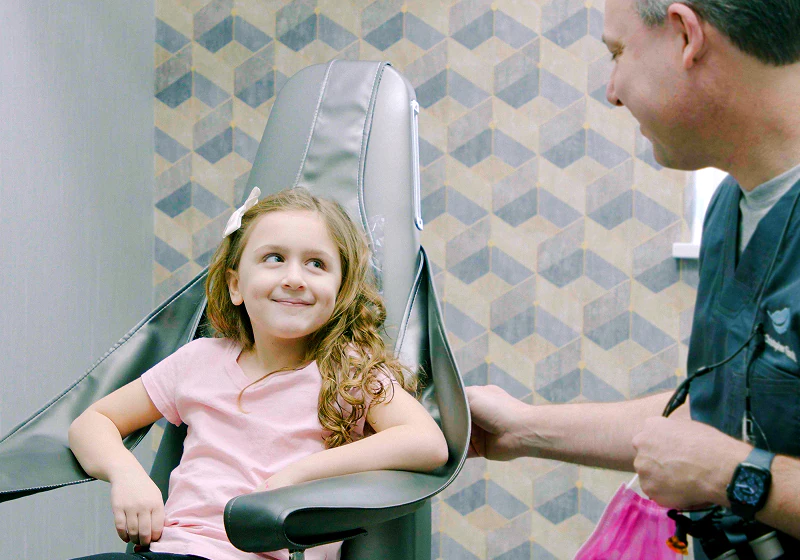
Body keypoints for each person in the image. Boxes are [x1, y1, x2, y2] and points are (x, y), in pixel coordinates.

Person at [468, 0, 800, 556]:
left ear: (685, 35)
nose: (612, 90)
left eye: (618, 53)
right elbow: (726, 413)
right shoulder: (730, 209)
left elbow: (720, 456)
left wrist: (734, 475)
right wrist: (517, 429)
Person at [67, 187, 449, 560]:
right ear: (236, 285)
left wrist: (300, 473)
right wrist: (126, 475)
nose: (294, 277)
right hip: (177, 550)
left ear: (341, 290)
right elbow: (92, 422)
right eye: (274, 258)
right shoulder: (198, 361)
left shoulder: (351, 372)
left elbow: (426, 443)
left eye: (316, 264)